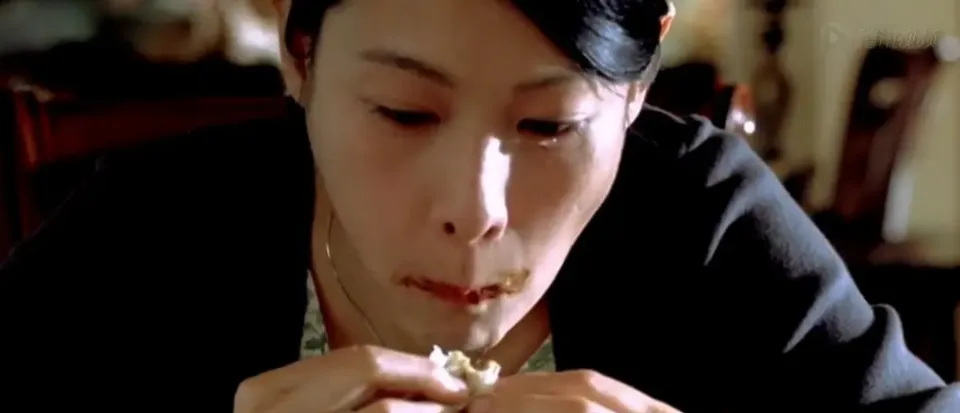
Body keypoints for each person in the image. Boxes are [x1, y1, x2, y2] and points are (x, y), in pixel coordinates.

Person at [1, 0, 957, 412]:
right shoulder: (153, 223)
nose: (475, 211)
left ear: (635, 89)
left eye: (548, 125)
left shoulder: (701, 218)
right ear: (300, 52)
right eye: (403, 111)